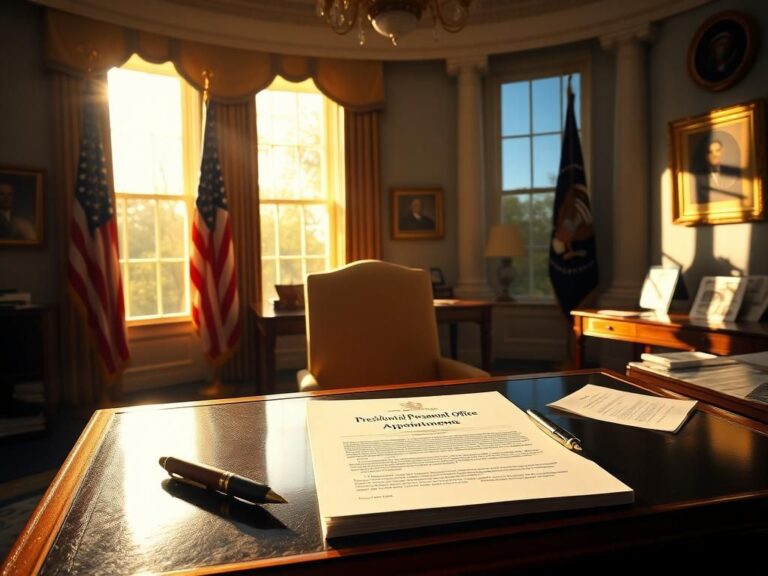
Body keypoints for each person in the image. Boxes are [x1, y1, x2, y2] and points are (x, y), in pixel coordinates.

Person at [694, 139, 742, 204]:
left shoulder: (732, 174)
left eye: (717, 151)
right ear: (706, 156)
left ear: (722, 152)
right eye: (710, 152)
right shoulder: (699, 177)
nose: (714, 155)